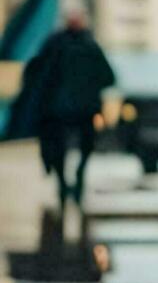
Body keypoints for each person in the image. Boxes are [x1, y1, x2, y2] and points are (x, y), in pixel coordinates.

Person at [6, 12, 115, 207]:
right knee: (80, 145)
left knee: (59, 147)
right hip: (77, 108)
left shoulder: (58, 45)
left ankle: (64, 181)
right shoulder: (87, 45)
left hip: (61, 109)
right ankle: (73, 177)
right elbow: (108, 77)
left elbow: (36, 73)